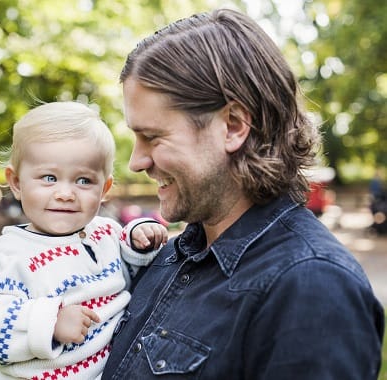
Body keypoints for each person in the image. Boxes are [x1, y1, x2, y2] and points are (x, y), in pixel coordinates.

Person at [102, 8, 384, 379]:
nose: (136, 162)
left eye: (152, 137)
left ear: (233, 126)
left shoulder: (311, 287)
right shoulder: (169, 257)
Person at [0, 101, 169, 380]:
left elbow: (133, 277)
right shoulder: (7, 257)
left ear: (104, 188)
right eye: (49, 178)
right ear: (16, 182)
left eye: (83, 181)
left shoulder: (106, 234)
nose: (65, 193)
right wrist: (49, 322)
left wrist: (138, 242)